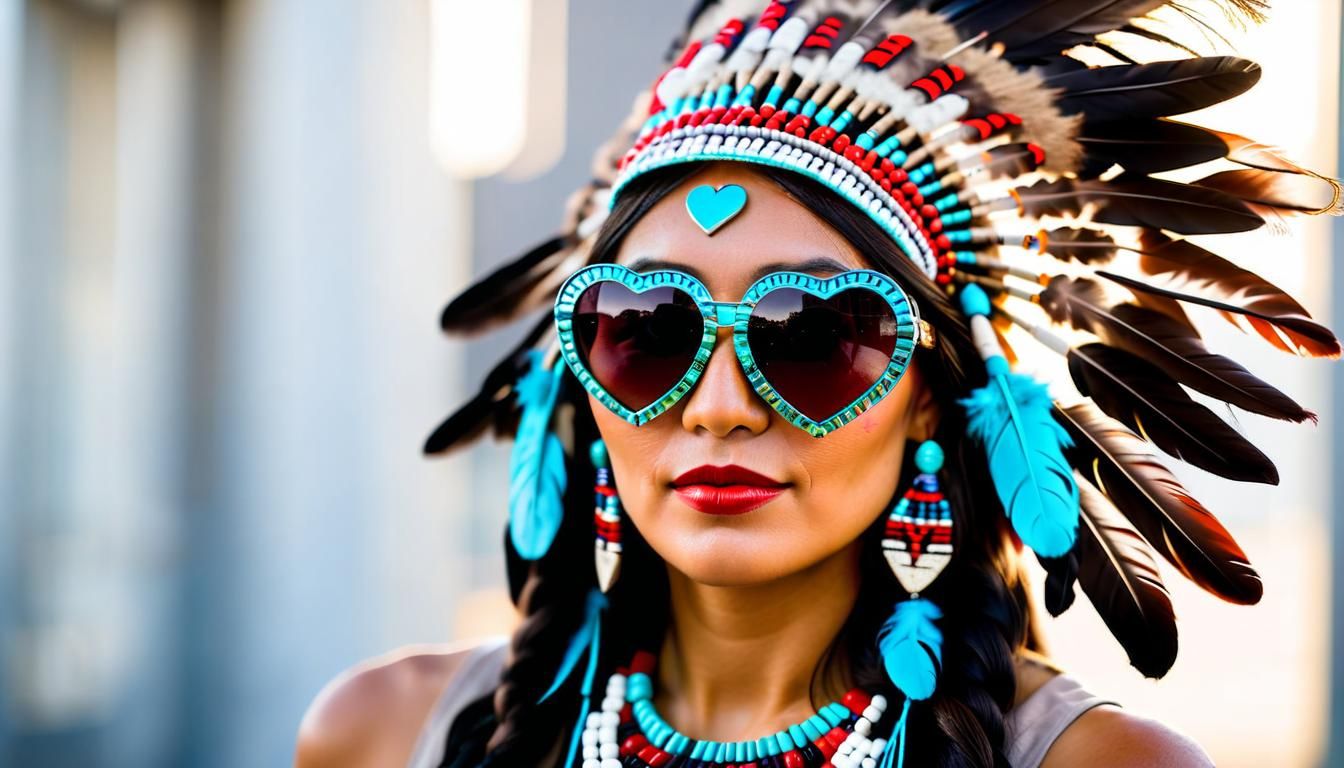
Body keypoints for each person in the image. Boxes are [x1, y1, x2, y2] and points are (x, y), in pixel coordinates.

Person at [295, 2, 1341, 766]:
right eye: (646, 332)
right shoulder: (382, 734)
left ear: (929, 396)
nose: (719, 406)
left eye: (812, 335)